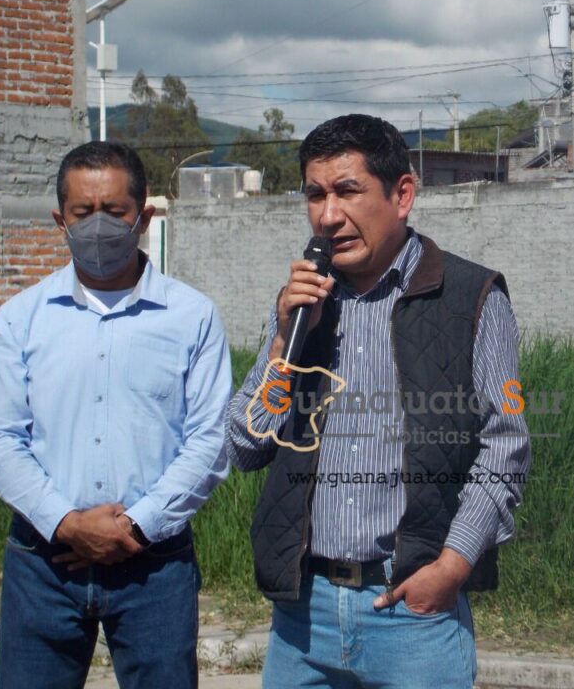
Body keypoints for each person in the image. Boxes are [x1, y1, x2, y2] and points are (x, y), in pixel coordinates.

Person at [226, 114, 530, 689]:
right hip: (303, 614)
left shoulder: (471, 298)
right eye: (315, 195)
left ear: (402, 195)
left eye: (347, 191)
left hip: (412, 613)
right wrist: (283, 345)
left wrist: (452, 566)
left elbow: (505, 446)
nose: (328, 215)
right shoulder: (301, 305)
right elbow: (244, 445)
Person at [0, 141, 232, 689]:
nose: (98, 225)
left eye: (114, 211)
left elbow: (210, 441)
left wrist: (136, 525)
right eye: (83, 211)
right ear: (60, 221)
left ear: (144, 217)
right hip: (43, 561)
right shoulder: (21, 319)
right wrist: (67, 524)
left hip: (154, 563)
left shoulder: (192, 318)